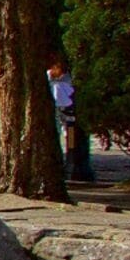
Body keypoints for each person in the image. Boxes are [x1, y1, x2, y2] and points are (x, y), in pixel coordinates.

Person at [50, 57, 93, 185]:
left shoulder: (62, 83)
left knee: (73, 143)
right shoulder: (59, 83)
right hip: (69, 119)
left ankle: (74, 168)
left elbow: (63, 103)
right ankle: (73, 167)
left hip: (70, 120)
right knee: (72, 143)